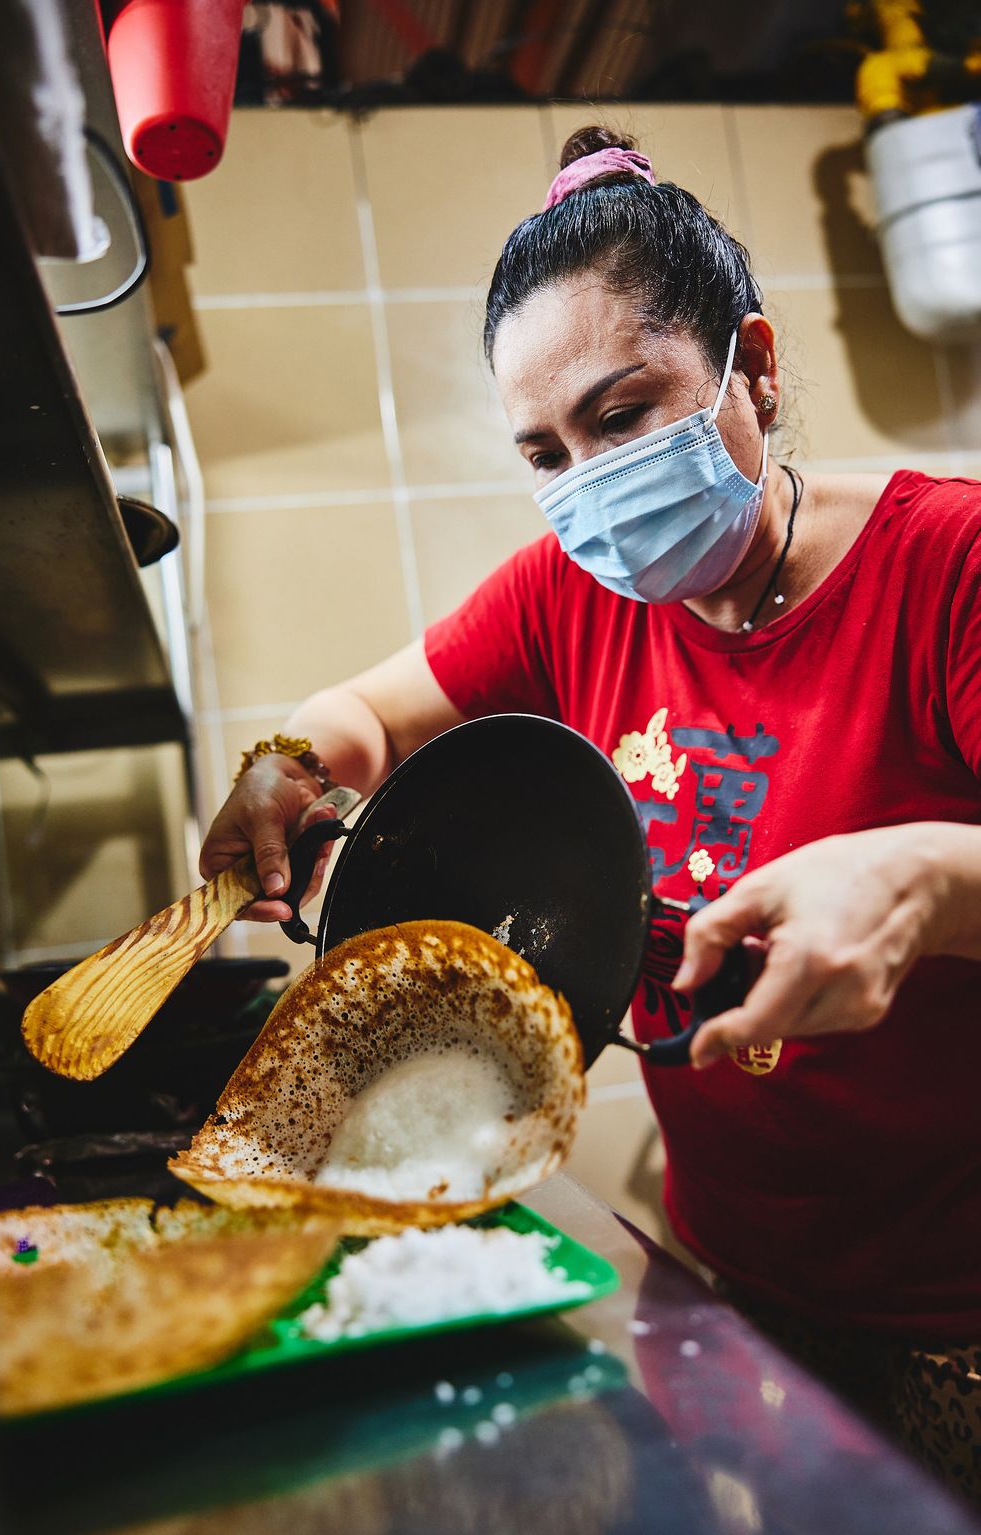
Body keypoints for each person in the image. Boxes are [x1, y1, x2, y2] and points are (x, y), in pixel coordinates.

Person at [201, 127, 981, 1498]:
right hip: (737, 1277)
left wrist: (923, 876)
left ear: (755, 363)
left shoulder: (948, 567)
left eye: (621, 417)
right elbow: (366, 722)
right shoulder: (574, 596)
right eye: (545, 452)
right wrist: (283, 760)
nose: (590, 481)